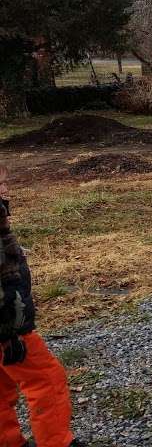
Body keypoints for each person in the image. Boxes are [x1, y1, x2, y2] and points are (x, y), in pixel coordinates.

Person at [0, 165, 81, 447]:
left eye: (5, 182)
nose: (5, 189)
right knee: (46, 379)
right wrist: (9, 332)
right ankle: (56, 441)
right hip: (8, 327)